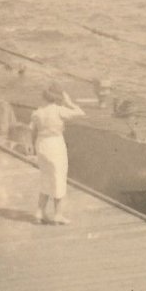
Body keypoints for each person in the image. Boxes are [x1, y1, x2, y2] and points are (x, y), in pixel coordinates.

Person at [29, 83, 86, 225]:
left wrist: (32, 146)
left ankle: (39, 212)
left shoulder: (37, 112)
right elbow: (80, 113)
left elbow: (32, 130)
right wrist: (69, 102)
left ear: (45, 96)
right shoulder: (59, 111)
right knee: (58, 177)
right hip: (55, 144)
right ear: (58, 97)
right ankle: (58, 215)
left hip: (41, 144)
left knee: (45, 177)